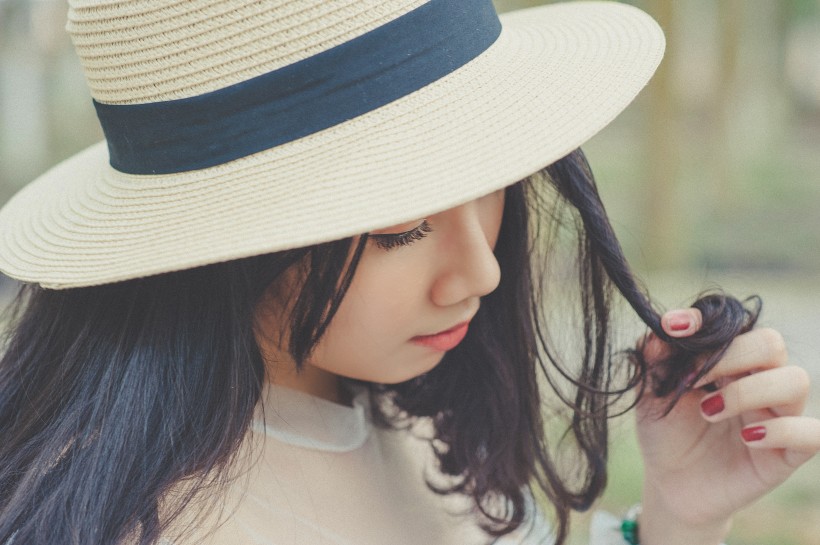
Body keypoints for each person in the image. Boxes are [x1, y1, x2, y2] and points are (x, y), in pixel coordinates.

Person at [0, 1, 817, 544]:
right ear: (220, 243)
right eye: (402, 227)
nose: (479, 272)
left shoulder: (399, 412)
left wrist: (679, 516)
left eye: (492, 183)